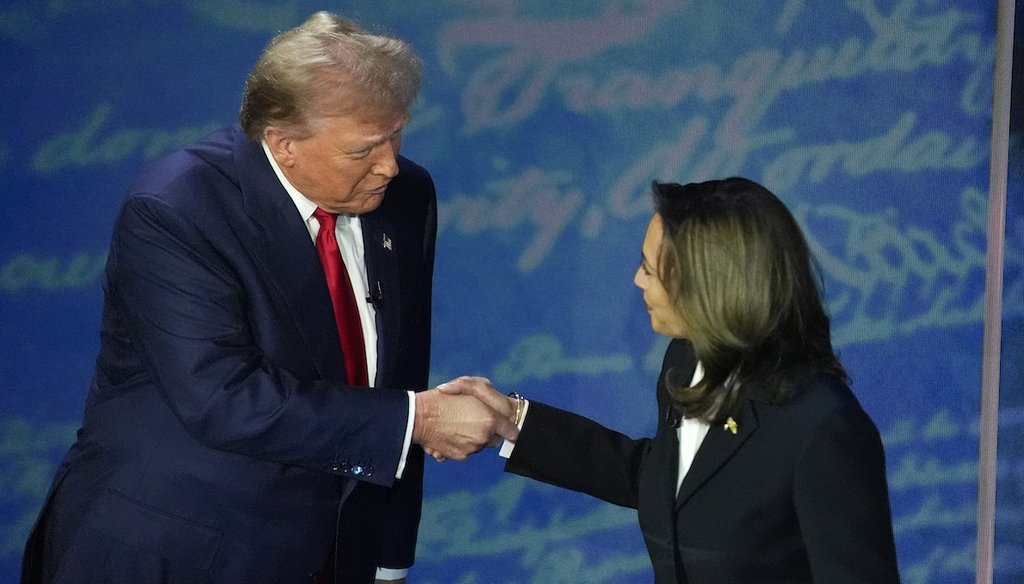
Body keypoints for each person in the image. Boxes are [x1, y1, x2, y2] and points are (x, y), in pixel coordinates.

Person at [21, 11, 516, 584]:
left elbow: (398, 368)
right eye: (364, 149)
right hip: (176, 549)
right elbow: (222, 397)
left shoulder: (406, 196)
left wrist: (386, 554)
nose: (388, 164)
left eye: (396, 135)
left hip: (327, 556)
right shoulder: (178, 209)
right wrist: (419, 419)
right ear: (283, 144)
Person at [443, 178, 901, 583]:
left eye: (650, 268)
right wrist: (514, 422)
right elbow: (670, 482)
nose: (637, 280)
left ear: (710, 286)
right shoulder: (684, 360)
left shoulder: (824, 429)